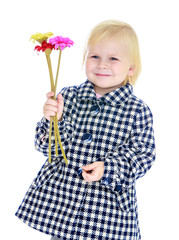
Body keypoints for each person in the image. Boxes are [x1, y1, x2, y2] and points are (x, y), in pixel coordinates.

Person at [16, 20, 156, 240]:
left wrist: (108, 168)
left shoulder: (137, 110)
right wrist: (54, 119)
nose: (102, 64)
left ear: (130, 68)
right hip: (63, 203)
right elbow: (45, 147)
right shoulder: (68, 96)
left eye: (113, 58)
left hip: (106, 214)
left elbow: (143, 155)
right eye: (95, 57)